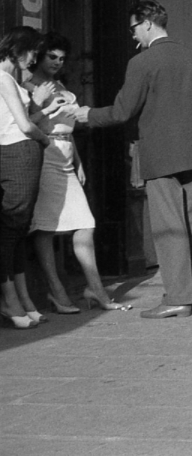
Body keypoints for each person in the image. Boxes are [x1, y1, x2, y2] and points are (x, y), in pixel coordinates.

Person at [75, 0, 192, 319]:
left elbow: (122, 111)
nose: (132, 37)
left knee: (169, 228)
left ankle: (177, 299)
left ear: (146, 24)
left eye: (132, 29)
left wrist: (87, 115)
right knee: (191, 224)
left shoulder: (142, 62)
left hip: (161, 154)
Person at [25, 33, 128, 313]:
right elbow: (27, 123)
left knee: (85, 223)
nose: (57, 62)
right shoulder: (29, 85)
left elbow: (69, 131)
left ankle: (94, 288)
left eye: (61, 58)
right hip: (45, 155)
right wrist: (41, 103)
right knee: (45, 226)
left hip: (67, 157)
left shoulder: (60, 85)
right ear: (39, 56)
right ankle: (57, 290)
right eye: (51, 57)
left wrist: (79, 162)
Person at [0, 26, 62, 329]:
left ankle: (22, 299)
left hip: (19, 152)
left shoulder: (11, 79)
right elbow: (24, 127)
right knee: (12, 227)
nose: (33, 58)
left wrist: (45, 111)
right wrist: (45, 140)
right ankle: (10, 300)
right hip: (17, 153)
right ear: (17, 48)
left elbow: (21, 121)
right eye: (31, 52)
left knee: (18, 229)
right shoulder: (3, 77)